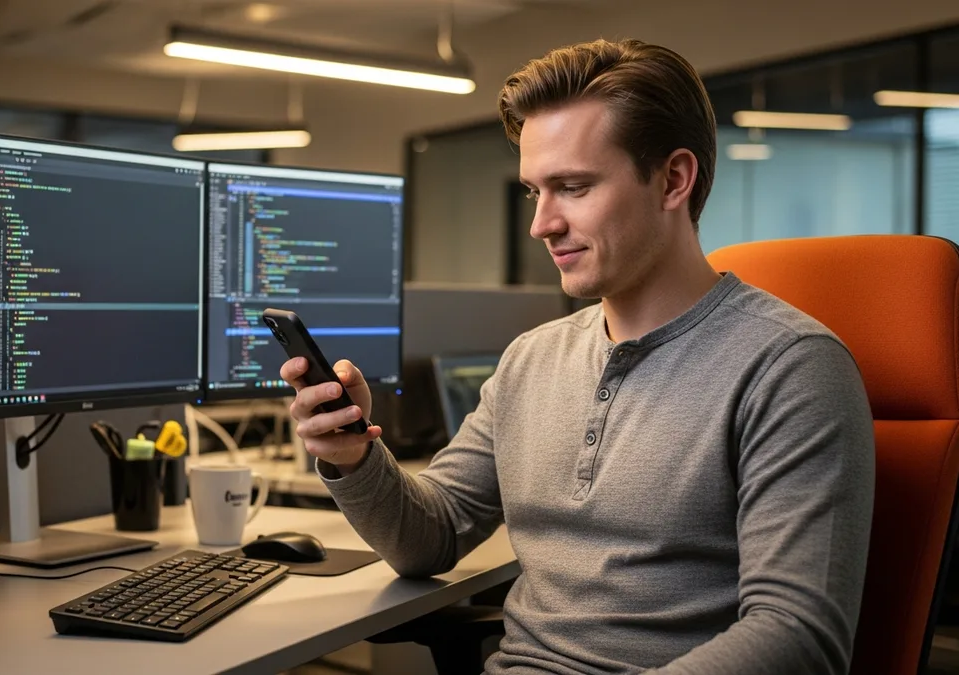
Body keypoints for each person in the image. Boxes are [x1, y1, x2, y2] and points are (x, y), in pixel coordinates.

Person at [280, 38, 875, 674]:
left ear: (674, 179)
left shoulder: (790, 368)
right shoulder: (530, 360)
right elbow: (433, 535)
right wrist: (354, 457)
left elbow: (799, 639)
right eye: (535, 191)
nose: (542, 223)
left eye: (573, 187)